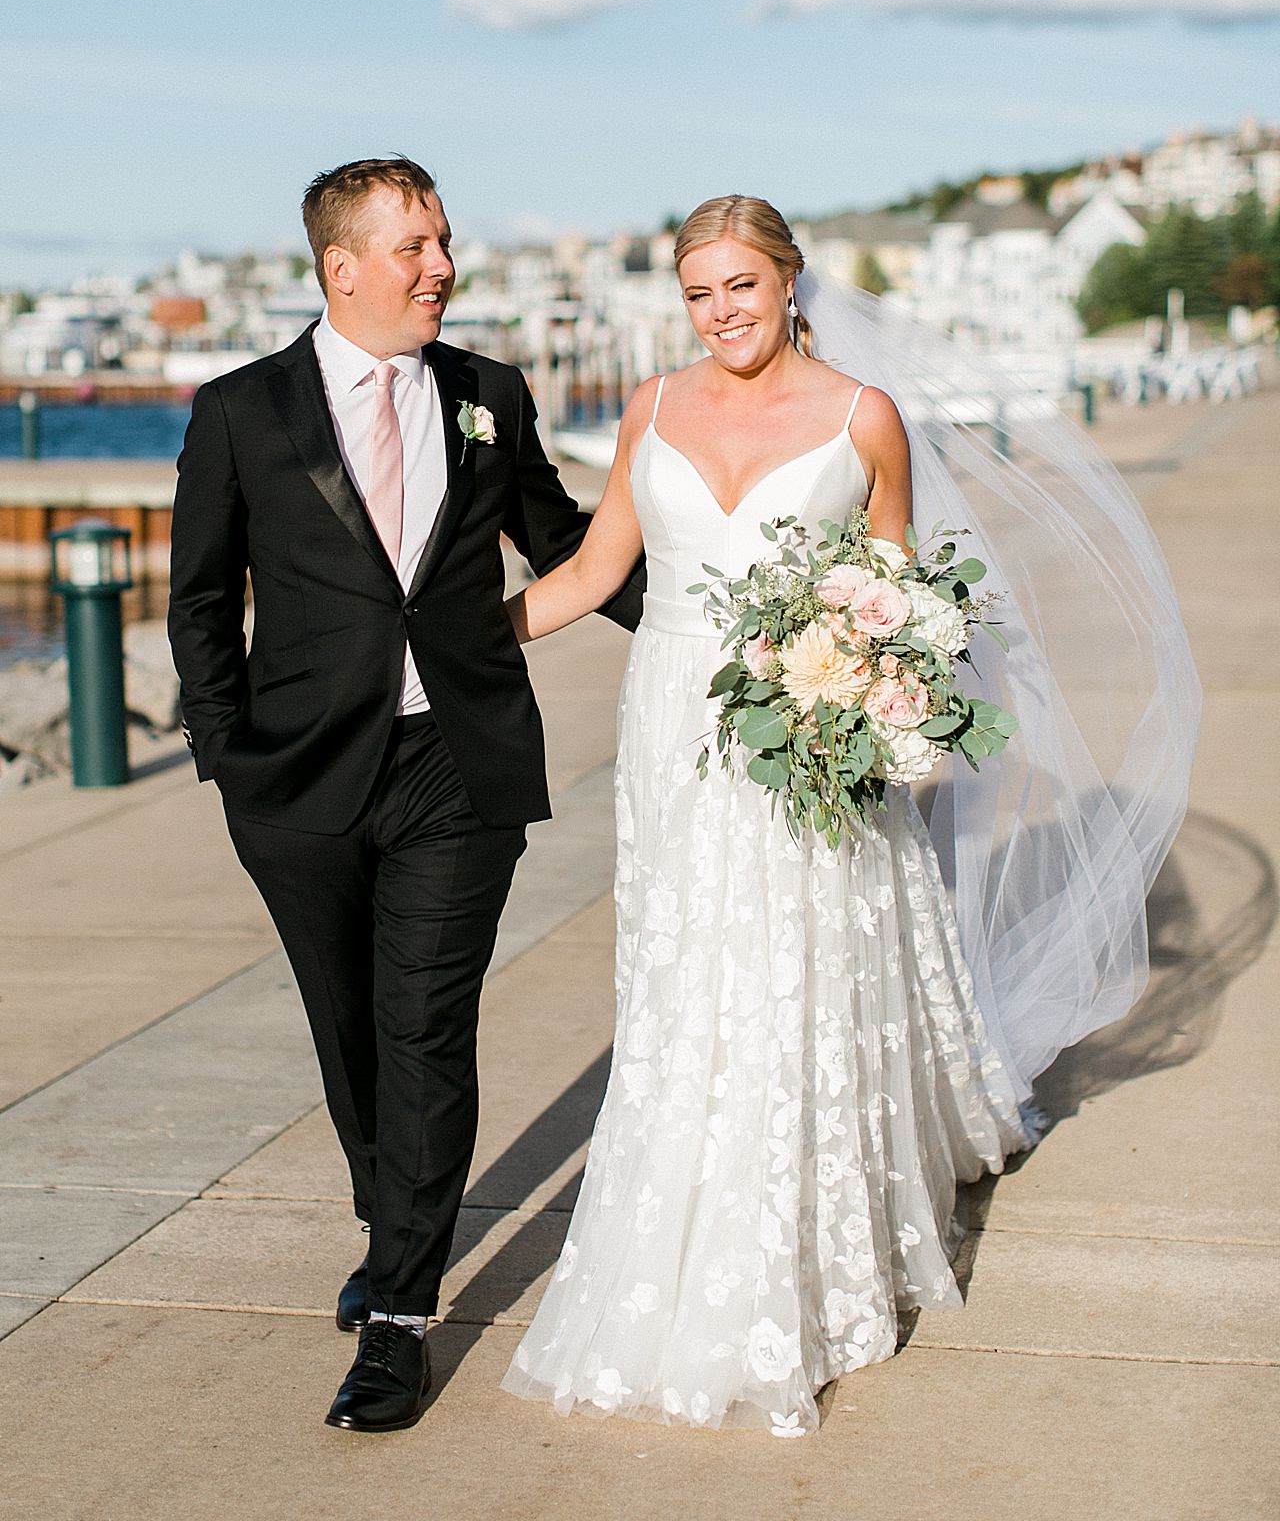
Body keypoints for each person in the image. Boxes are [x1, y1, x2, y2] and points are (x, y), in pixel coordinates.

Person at [499, 193, 1197, 1435]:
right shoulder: (650, 408)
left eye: (741, 288)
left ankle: (795, 1260)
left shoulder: (863, 418)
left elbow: (898, 594)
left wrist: (880, 705)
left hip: (800, 731)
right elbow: (599, 569)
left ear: (787, 283)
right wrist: (453, 646)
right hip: (669, 725)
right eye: (698, 293)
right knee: (684, 978)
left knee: (795, 967)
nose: (720, 314)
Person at [167, 156, 643, 1434]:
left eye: (444, 240)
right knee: (350, 1031)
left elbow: (560, 538)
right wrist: (229, 759)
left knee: (423, 1026)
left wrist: (720, 630)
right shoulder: (241, 411)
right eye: (417, 246)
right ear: (343, 266)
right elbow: (201, 603)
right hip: (300, 779)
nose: (443, 266)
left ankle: (400, 1318)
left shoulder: (490, 392)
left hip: (458, 766)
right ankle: (394, 1229)